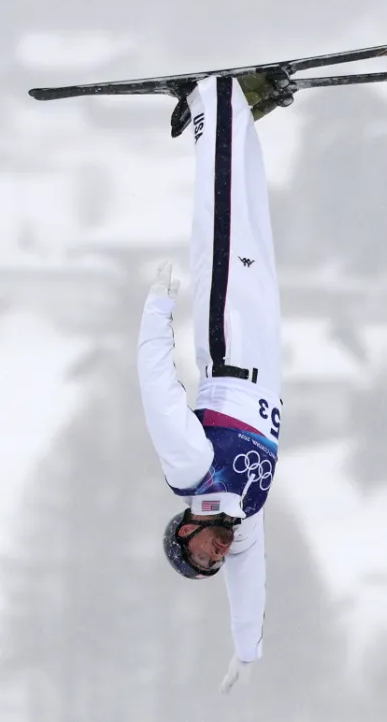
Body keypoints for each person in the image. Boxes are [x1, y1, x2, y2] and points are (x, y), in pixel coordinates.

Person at [137, 73, 289, 692]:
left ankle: (214, 99)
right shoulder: (243, 514)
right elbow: (248, 577)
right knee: (252, 216)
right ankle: (243, 117)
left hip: (227, 344)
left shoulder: (191, 470)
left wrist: (156, 309)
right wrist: (247, 647)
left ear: (186, 529)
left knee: (221, 216)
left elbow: (156, 388)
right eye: (211, 566)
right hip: (267, 350)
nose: (217, 557)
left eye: (202, 556)